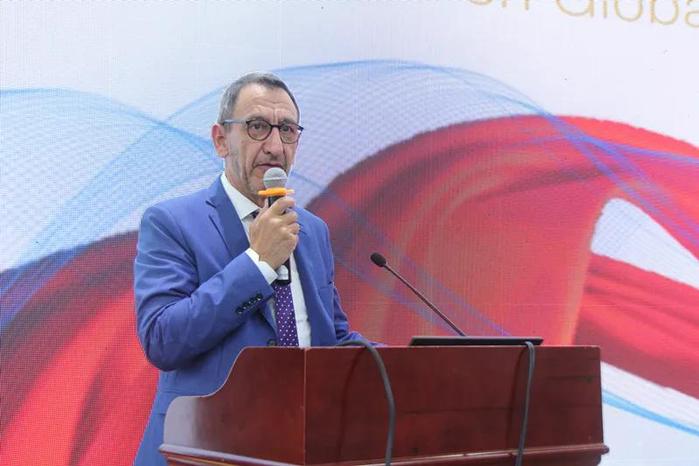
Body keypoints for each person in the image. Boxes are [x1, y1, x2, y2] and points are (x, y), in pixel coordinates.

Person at [133, 72, 364, 466]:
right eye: (257, 127)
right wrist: (257, 264)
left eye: (287, 130)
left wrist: (412, 370)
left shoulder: (312, 231)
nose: (274, 146)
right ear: (221, 140)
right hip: (203, 449)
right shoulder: (171, 222)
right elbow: (162, 338)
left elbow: (333, 338)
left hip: (299, 446)